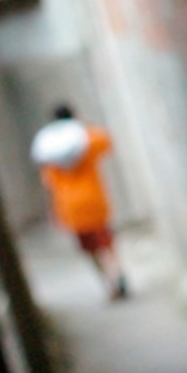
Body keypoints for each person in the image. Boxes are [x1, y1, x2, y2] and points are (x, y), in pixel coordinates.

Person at [31, 102, 126, 299]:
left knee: (90, 249)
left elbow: (47, 182)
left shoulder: (50, 148)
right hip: (93, 200)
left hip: (69, 207)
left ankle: (108, 284)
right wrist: (84, 126)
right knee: (106, 244)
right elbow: (106, 142)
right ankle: (117, 274)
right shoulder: (85, 139)